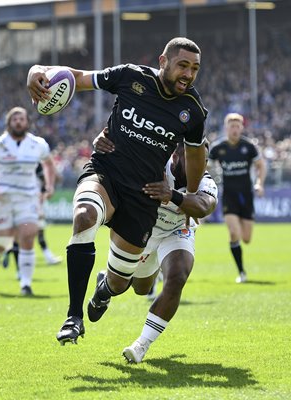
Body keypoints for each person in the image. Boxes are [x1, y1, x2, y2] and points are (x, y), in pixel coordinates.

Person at [27, 37, 208, 345]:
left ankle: (105, 289)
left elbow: (195, 155)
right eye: (183, 66)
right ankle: (73, 317)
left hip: (143, 195)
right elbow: (78, 77)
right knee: (85, 217)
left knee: (128, 283)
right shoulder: (131, 76)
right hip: (106, 172)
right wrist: (37, 70)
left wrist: (188, 198)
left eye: (194, 69)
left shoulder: (192, 110)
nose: (188, 74)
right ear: (163, 61)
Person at [94, 134, 217, 363]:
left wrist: (173, 195)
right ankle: (106, 285)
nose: (201, 164)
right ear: (176, 154)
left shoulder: (205, 181)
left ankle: (142, 344)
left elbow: (204, 206)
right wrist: (101, 141)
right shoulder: (154, 165)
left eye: (205, 160)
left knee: (178, 276)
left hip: (176, 232)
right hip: (143, 230)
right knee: (137, 288)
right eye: (194, 158)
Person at [0, 107, 56, 296]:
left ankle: (26, 285)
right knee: (2, 242)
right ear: (9, 123)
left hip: (28, 197)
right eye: (15, 119)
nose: (19, 122)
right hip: (3, 198)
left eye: (22, 119)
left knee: (28, 235)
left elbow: (49, 164)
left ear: (27, 122)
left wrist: (50, 186)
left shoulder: (38, 144)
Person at [208, 113, 266, 283]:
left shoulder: (249, 147)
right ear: (226, 128)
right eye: (231, 126)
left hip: (246, 196)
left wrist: (260, 184)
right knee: (234, 233)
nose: (234, 129)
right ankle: (241, 272)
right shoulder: (218, 148)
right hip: (229, 196)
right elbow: (205, 166)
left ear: (241, 128)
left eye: (237, 126)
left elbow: (260, 166)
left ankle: (241, 259)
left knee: (246, 239)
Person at [2, 163, 62, 270]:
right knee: (31, 233)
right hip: (30, 206)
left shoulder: (39, 170)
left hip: (33, 204)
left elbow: (54, 180)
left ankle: (9, 250)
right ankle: (11, 252)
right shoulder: (34, 172)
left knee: (32, 233)